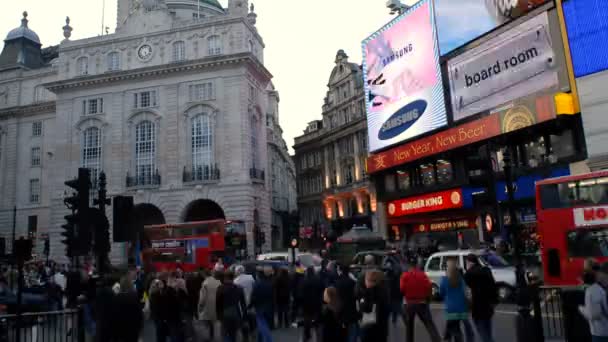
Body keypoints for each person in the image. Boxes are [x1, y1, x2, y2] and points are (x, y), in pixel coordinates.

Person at [400, 260, 441, 342]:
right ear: (417, 266)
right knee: (429, 324)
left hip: (409, 303)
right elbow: (429, 287)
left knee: (409, 326)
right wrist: (428, 299)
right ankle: (436, 340)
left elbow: (402, 289)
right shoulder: (422, 275)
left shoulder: (405, 275)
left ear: (409, 266)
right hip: (422, 303)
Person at [464, 254, 498, 342]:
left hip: (478, 305)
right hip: (488, 305)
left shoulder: (469, 273)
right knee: (488, 329)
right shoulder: (486, 270)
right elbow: (493, 286)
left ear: (469, 262)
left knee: (482, 331)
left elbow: (467, 287)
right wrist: (494, 301)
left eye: (466, 262)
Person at [439, 258, 475, 342]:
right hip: (462, 309)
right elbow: (466, 293)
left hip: (451, 310)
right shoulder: (461, 279)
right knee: (454, 328)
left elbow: (441, 293)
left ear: (447, 268)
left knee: (454, 330)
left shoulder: (444, 280)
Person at [579, 261, 608, 342]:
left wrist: (581, 309)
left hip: (600, 331)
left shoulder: (593, 290)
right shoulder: (600, 289)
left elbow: (593, 314)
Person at [358, 270, 390, 342]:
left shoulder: (367, 293)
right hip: (382, 330)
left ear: (370, 280)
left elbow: (364, 309)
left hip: (369, 329)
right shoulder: (384, 292)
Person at [216, 271, 247, 342]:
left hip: (224, 314)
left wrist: (218, 316)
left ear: (225, 278)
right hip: (235, 313)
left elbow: (217, 304)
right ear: (233, 278)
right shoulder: (239, 288)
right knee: (233, 334)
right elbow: (243, 304)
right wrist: (244, 318)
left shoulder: (220, 289)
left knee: (225, 334)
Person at [112, 275, 144, 342]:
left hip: (120, 330)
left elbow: (113, 315)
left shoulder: (116, 298)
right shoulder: (134, 297)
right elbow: (139, 315)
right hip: (132, 329)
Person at [298, 266, 324, 342]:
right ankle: (318, 338)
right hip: (317, 304)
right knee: (318, 323)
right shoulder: (318, 280)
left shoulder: (303, 281)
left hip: (306, 305)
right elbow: (323, 289)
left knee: (306, 321)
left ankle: (307, 336)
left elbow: (300, 294)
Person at [335, 264, 358, 342]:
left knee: (343, 331)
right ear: (348, 271)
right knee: (352, 331)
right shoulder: (352, 282)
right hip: (351, 309)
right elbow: (356, 295)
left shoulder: (337, 283)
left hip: (341, 311)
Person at [251, 266, 274, 342]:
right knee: (263, 325)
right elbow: (273, 296)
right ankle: (260, 339)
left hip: (259, 307)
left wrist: (251, 306)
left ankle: (268, 340)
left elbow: (253, 297)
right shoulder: (271, 283)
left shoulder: (257, 284)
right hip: (269, 307)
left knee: (262, 325)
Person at [199, 270, 222, 342]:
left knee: (206, 324)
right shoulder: (218, 282)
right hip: (216, 306)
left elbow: (203, 298)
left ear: (204, 275)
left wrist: (200, 307)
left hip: (207, 307)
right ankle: (212, 336)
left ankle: (207, 339)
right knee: (212, 323)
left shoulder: (205, 283)